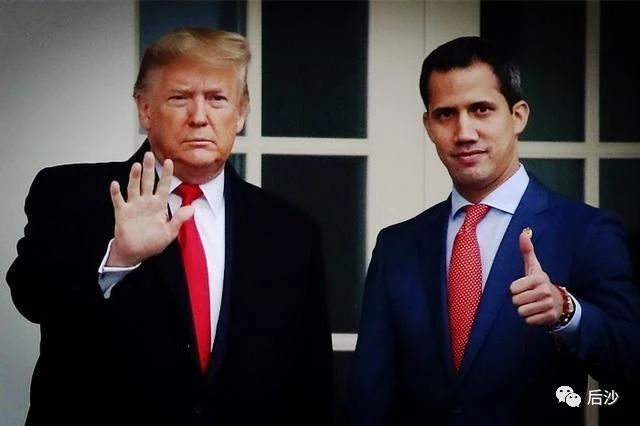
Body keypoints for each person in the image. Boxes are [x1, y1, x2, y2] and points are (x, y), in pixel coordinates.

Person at [7, 28, 333, 425]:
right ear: (145, 109)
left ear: (241, 113)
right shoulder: (70, 194)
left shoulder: (291, 231)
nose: (199, 117)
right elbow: (32, 298)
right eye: (180, 98)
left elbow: (311, 382)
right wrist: (119, 259)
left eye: (217, 99)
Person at [348, 36, 640, 426]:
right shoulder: (397, 246)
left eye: (481, 109)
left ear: (518, 116)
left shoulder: (587, 231)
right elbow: (370, 392)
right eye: (446, 114)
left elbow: (629, 359)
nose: (464, 132)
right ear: (428, 125)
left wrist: (566, 312)